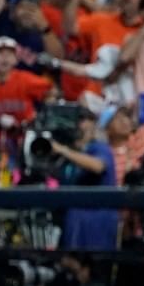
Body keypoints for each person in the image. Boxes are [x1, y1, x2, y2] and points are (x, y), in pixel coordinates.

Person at [52, 107, 119, 251]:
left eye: (82, 120)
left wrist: (64, 150)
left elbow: (98, 166)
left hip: (96, 224)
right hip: (73, 224)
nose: (78, 125)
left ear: (93, 124)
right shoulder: (69, 155)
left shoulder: (99, 148)